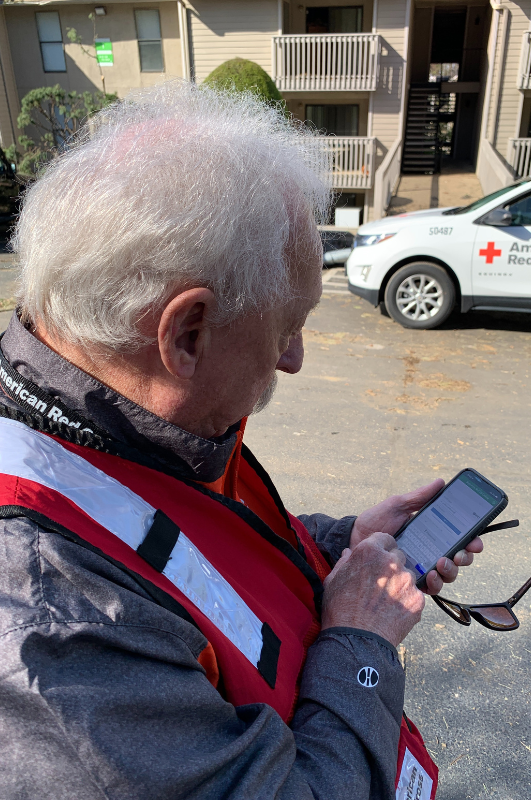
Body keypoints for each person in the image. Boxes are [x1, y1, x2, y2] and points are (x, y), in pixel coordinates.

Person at [0, 81, 482, 799]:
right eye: (288, 325)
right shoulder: (51, 620)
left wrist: (340, 545)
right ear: (185, 334)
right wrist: (363, 646)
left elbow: (191, 552)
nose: (293, 358)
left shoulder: (126, 425)